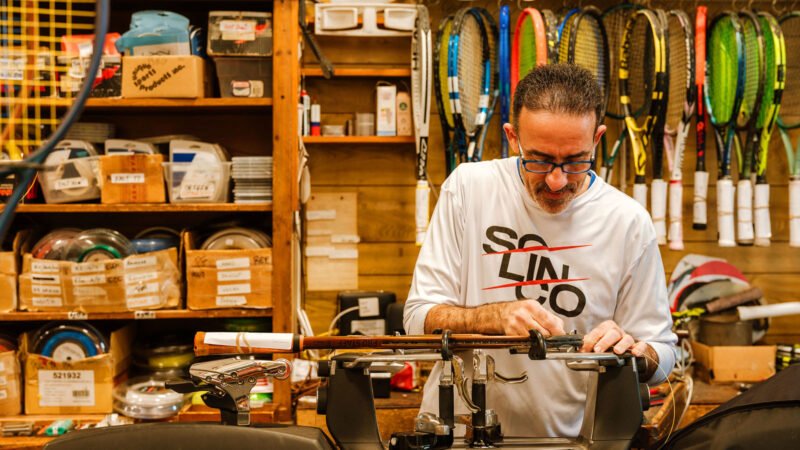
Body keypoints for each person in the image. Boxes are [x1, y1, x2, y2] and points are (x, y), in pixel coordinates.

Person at [403, 63, 677, 438]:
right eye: (540, 159)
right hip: (457, 435)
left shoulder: (628, 222)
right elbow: (418, 318)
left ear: (597, 139)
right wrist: (494, 317)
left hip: (568, 441)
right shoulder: (469, 189)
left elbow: (662, 355)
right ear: (512, 137)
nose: (556, 180)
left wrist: (634, 353)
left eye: (575, 161)